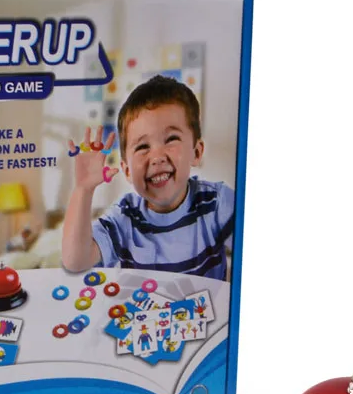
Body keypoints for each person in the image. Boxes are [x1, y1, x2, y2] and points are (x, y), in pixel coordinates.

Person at [61, 74, 234, 281]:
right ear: (127, 170)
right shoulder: (124, 217)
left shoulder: (217, 203)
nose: (157, 157)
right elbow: (75, 261)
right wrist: (83, 189)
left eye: (171, 139)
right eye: (143, 146)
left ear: (196, 152)